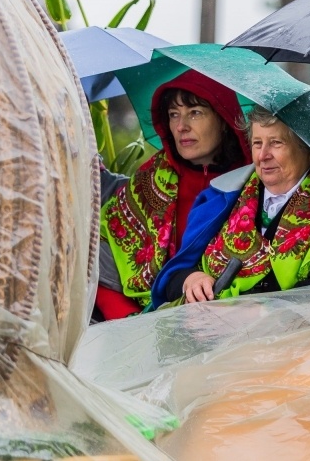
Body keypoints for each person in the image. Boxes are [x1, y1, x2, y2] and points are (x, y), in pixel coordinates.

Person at [150, 106, 310, 308]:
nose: (263, 155)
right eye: (257, 143)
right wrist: (190, 279)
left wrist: (262, 313)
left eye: (276, 143)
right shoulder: (220, 198)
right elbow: (174, 275)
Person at [95, 70, 251, 320]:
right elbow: (101, 261)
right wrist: (130, 324)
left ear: (223, 118)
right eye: (173, 115)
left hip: (221, 321)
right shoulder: (150, 179)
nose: (181, 126)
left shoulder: (254, 182)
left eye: (195, 113)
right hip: (129, 325)